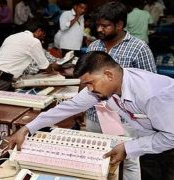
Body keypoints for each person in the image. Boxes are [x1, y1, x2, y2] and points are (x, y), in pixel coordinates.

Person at [9, 51, 174, 180]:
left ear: (109, 75)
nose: (88, 89)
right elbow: (68, 107)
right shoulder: (104, 86)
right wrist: (27, 128)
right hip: (152, 142)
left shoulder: (152, 95)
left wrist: (129, 147)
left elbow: (171, 137)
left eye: (90, 83)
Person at [86, 2, 157, 179]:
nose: (100, 29)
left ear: (119, 25)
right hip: (94, 115)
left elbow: (150, 84)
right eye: (98, 25)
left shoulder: (139, 48)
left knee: (129, 161)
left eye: (105, 26)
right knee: (97, 158)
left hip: (125, 118)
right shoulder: (94, 47)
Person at [0, 19, 54, 97]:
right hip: (1, 79)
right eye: (44, 34)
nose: (43, 38)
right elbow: (45, 66)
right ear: (39, 30)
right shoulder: (34, 41)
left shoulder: (13, 36)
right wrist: (54, 73)